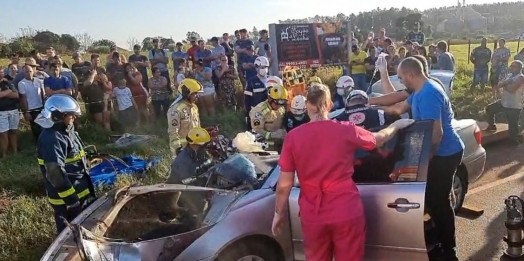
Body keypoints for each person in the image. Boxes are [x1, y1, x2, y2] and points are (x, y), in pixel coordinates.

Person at [272, 83, 414, 261]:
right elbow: (378, 139)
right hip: (346, 211)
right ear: (330, 105)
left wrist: (279, 214)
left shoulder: (293, 137)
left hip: (313, 215)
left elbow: (284, 185)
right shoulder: (345, 129)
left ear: (307, 104)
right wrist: (396, 126)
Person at [384, 57, 464, 260]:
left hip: (445, 153)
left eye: (402, 78)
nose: (401, 81)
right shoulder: (419, 92)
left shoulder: (429, 94)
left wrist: (423, 162)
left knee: (439, 201)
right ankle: (437, 237)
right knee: (431, 197)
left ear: (411, 75)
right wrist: (366, 108)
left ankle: (448, 247)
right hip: (436, 152)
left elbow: (436, 136)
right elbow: (398, 109)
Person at [35, 94, 96, 233]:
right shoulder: (52, 138)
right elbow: (54, 172)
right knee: (70, 236)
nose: (74, 118)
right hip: (67, 201)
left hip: (81, 192)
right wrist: (72, 201)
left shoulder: (67, 131)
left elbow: (73, 155)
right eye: (70, 115)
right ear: (57, 116)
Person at [485, 60, 524, 146]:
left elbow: (512, 90)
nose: (512, 68)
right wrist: (506, 84)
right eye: (511, 66)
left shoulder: (521, 77)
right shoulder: (509, 75)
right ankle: (491, 125)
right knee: (489, 109)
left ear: (519, 68)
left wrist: (504, 84)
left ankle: (515, 142)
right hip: (504, 102)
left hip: (514, 106)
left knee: (512, 125)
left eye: (514, 66)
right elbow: (499, 84)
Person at [167, 79, 203, 157]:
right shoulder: (176, 109)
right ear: (187, 93)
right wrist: (178, 148)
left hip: (194, 147)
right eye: (195, 93)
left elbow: (198, 126)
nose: (198, 96)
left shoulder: (194, 107)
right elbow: (173, 131)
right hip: (183, 150)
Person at [244, 56, 270, 129]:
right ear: (256, 68)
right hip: (256, 114)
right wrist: (248, 116)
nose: (264, 69)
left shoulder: (272, 80)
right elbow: (247, 101)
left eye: (265, 67)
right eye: (261, 67)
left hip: (270, 114)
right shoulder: (250, 82)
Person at [0, 78, 20, 158]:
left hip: (13, 110)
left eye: (1, 72)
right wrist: (9, 91)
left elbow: (16, 95)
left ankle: (15, 152)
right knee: (3, 134)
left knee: (13, 132)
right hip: (1, 112)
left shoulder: (9, 82)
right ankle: (4, 155)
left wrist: (3, 93)